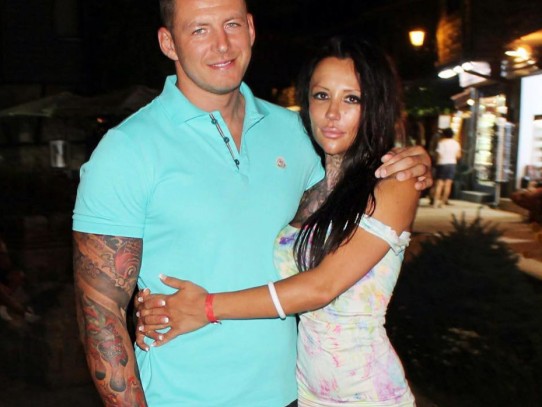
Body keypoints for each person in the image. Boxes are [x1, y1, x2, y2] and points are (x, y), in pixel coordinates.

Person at [72, 0, 432, 405]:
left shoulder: (298, 134)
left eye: (231, 24)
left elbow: (348, 204)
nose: (221, 44)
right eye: (200, 29)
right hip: (181, 396)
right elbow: (100, 313)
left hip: (291, 394)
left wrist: (413, 161)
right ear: (168, 43)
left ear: (251, 29)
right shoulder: (126, 149)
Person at [432, 127, 461, 208]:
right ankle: (443, 203)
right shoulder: (456, 143)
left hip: (442, 164)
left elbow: (439, 155)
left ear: (444, 134)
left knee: (439, 184)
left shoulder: (441, 143)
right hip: (452, 164)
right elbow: (458, 155)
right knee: (448, 184)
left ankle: (435, 202)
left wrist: (436, 163)